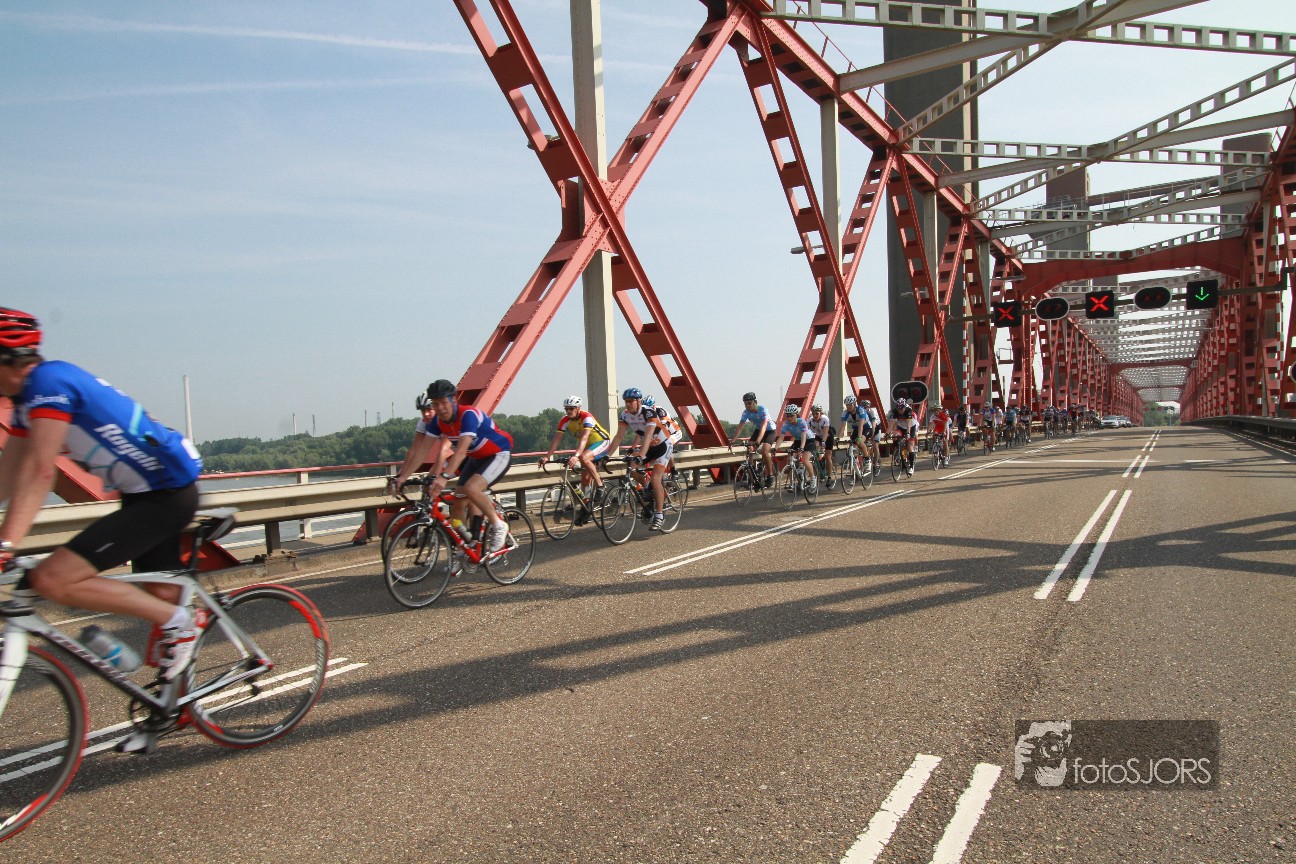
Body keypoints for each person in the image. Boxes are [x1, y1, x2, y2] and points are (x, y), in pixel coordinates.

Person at [0, 308, 203, 702]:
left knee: (53, 579)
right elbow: (7, 476)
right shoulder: (26, 401)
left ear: (7, 359)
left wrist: (6, 544)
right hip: (143, 493)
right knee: (159, 597)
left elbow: (40, 471)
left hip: (166, 494)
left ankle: (183, 623)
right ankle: (174, 705)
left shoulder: (48, 383)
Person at [387, 379, 513, 554]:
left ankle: (498, 525)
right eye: (435, 404)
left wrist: (443, 477)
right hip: (476, 458)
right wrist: (402, 477)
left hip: (498, 454)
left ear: (454, 400)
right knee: (457, 502)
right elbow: (421, 452)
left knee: (471, 488)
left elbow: (460, 452)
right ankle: (465, 547)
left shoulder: (468, 415)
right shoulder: (437, 422)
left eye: (443, 403)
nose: (440, 408)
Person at [607, 387, 678, 531]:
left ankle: (659, 515)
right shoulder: (625, 415)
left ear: (638, 401)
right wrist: (607, 455)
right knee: (630, 468)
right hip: (649, 447)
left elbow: (647, 436)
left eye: (631, 401)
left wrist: (640, 455)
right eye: (626, 401)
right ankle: (646, 487)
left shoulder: (649, 413)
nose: (628, 404)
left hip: (663, 446)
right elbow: (619, 436)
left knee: (656, 479)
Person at [539, 395, 611, 526]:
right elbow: (557, 439)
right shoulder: (564, 420)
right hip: (588, 448)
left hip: (602, 442)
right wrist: (547, 456)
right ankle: (587, 508)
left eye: (571, 408)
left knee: (583, 457)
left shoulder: (586, 417)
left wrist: (576, 455)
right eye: (566, 409)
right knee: (585, 479)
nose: (568, 411)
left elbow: (584, 438)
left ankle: (600, 486)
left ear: (578, 408)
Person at [735, 392, 778, 487]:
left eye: (749, 403)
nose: (747, 405)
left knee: (764, 450)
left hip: (770, 431)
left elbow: (764, 426)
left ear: (755, 402)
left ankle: (770, 476)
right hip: (758, 430)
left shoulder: (763, 410)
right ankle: (752, 476)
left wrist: (758, 441)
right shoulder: (745, 412)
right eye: (745, 404)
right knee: (749, 448)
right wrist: (733, 440)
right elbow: (740, 427)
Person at [773, 403, 817, 485]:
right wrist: (775, 448)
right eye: (787, 416)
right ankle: (792, 483)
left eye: (791, 416)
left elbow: (803, 435)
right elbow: (781, 438)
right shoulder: (786, 424)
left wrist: (802, 448)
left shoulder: (801, 422)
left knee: (805, 460)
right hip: (797, 441)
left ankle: (813, 478)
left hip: (809, 440)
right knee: (790, 460)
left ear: (796, 414)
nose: (789, 418)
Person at [840, 394, 875, 473]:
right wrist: (839, 438)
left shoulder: (861, 410)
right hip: (856, 429)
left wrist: (859, 437)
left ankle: (867, 459)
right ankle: (856, 465)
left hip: (866, 428)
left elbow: (861, 425)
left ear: (855, 404)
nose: (848, 407)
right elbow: (842, 426)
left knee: (859, 442)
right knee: (853, 446)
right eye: (847, 405)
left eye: (850, 405)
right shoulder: (845, 412)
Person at [888, 397, 920, 476]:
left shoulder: (908, 411)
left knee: (910, 446)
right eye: (898, 408)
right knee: (895, 435)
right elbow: (891, 424)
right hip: (901, 427)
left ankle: (911, 467)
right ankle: (898, 450)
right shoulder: (894, 412)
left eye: (902, 408)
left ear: (904, 407)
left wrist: (908, 433)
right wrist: (887, 433)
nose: (900, 410)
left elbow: (908, 424)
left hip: (911, 426)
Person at [807, 404, 835, 487]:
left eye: (817, 413)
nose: (815, 415)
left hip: (828, 437)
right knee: (815, 447)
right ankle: (819, 462)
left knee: (828, 456)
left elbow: (826, 432)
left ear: (821, 413)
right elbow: (807, 432)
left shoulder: (825, 419)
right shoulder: (810, 421)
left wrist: (823, 442)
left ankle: (829, 477)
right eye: (813, 413)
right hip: (818, 437)